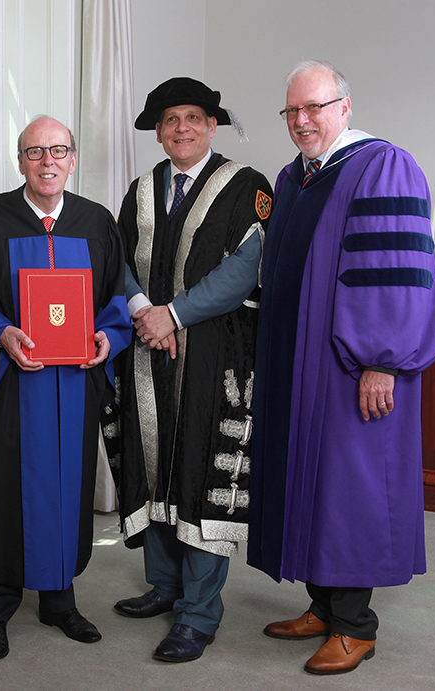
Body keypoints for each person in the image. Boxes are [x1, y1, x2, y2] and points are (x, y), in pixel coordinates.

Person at [248, 60, 435, 675]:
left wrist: (381, 362)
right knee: (306, 480)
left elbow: (393, 274)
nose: (303, 121)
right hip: (299, 365)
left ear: (345, 106)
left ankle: (357, 626)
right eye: (292, 111)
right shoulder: (295, 176)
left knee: (348, 487)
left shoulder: (382, 166)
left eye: (315, 108)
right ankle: (323, 606)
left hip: (353, 366)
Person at [0, 116, 132, 660]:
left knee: (69, 490)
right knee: (3, 491)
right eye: (34, 152)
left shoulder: (96, 222)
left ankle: (60, 601)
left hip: (73, 388)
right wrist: (0, 334)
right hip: (8, 387)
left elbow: (115, 302)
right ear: (19, 160)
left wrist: (106, 339)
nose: (47, 161)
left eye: (58, 151)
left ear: (72, 158)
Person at [110, 78, 272, 664]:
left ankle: (199, 614)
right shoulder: (143, 188)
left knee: (201, 469)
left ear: (212, 125)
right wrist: (141, 312)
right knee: (154, 462)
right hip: (149, 347)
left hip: (214, 352)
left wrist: (174, 314)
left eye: (194, 118)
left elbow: (245, 270)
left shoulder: (246, 187)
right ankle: (166, 585)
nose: (182, 128)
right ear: (158, 130)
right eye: (171, 119)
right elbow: (117, 260)